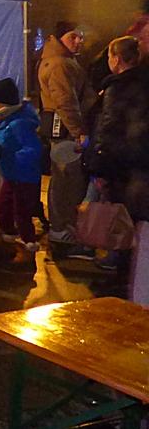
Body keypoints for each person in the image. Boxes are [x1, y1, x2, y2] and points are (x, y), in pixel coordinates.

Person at [84, 36, 149, 285]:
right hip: (141, 164)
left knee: (122, 219)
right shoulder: (144, 83)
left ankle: (122, 273)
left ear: (117, 59)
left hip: (122, 167)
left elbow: (108, 129)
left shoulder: (117, 87)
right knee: (139, 221)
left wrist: (99, 168)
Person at [36, 21, 97, 256]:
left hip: (61, 129)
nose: (79, 41)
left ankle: (61, 227)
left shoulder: (60, 60)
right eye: (73, 36)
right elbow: (65, 102)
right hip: (65, 131)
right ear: (58, 38)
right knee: (66, 180)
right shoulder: (60, 64)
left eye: (81, 37)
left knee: (63, 179)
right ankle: (62, 230)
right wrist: (79, 131)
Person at [0, 78, 42, 261]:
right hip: (12, 174)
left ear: (6, 103)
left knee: (22, 210)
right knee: (4, 205)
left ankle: (28, 240)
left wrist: (11, 156)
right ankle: (10, 234)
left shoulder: (18, 124)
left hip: (24, 176)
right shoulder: (7, 121)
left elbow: (33, 149)